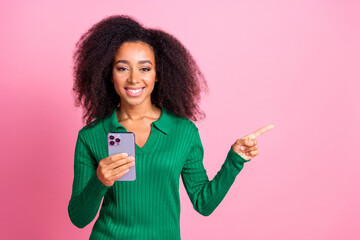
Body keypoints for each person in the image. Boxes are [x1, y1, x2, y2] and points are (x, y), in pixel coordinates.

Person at [68, 15, 274, 240]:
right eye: (122, 68)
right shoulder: (91, 136)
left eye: (145, 69)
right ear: (109, 74)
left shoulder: (183, 132)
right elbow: (79, 218)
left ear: (158, 75)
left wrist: (235, 160)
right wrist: (100, 180)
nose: (134, 79)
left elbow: (203, 203)